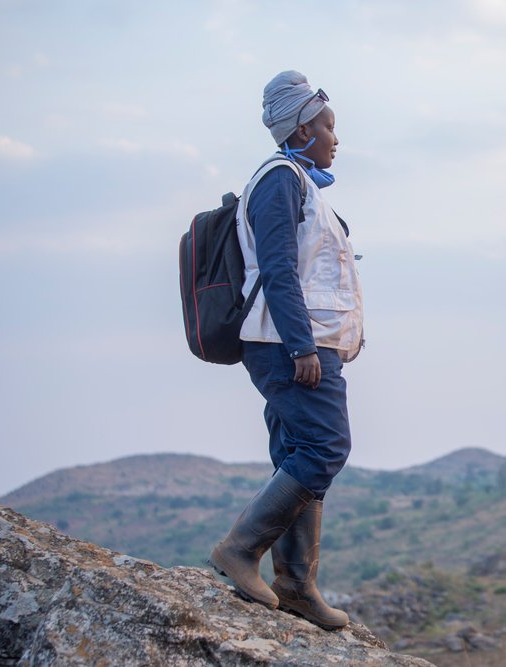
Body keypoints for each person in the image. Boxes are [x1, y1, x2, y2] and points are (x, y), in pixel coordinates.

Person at [208, 70, 364, 631]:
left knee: (299, 452)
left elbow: (316, 272)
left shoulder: (299, 181)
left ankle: (296, 586)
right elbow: (277, 269)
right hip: (287, 344)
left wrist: (344, 338)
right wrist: (304, 346)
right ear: (300, 130)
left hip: (300, 343)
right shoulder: (279, 179)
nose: (335, 137)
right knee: (325, 447)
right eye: (326, 125)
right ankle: (241, 550)